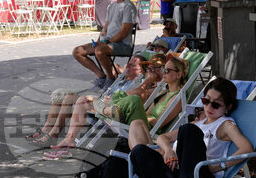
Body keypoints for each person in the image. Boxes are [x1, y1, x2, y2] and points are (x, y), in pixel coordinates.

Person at [127, 77, 252, 178]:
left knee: (188, 129)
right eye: (206, 100)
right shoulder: (199, 122)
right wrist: (168, 150)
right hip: (179, 173)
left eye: (215, 104)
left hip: (203, 174)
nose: (208, 107)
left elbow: (246, 148)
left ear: (228, 107)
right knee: (138, 151)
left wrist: (218, 167)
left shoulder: (226, 125)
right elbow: (162, 137)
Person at [48, 55, 186, 159]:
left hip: (142, 128)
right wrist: (121, 101)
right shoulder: (162, 91)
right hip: (132, 118)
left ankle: (109, 109)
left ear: (179, 74)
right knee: (84, 100)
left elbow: (157, 122)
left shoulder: (177, 98)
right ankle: (70, 138)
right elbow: (139, 96)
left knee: (133, 100)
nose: (164, 72)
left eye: (167, 70)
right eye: (164, 69)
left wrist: (129, 107)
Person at [27, 53, 148, 145]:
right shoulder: (122, 79)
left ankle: (53, 134)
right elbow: (115, 67)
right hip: (99, 101)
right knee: (58, 94)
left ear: (142, 70)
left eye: (133, 65)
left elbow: (123, 101)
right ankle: (46, 128)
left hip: (105, 107)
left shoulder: (139, 85)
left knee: (69, 98)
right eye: (129, 63)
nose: (128, 66)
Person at [71, 0, 137, 89]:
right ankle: (101, 76)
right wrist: (98, 41)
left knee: (100, 51)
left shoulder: (129, 7)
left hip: (122, 44)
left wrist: (106, 43)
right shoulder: (111, 6)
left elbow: (124, 32)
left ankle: (110, 78)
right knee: (77, 51)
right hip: (108, 42)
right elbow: (105, 28)